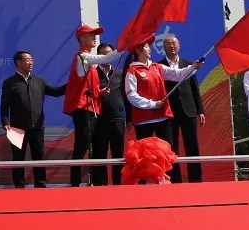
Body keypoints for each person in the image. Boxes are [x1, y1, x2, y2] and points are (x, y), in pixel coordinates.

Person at [61, 25, 123, 187]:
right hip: (83, 109)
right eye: (91, 35)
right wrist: (124, 47)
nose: (94, 38)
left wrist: (99, 92)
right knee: (82, 147)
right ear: (82, 38)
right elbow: (105, 59)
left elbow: (87, 86)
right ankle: (75, 184)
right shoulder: (82, 57)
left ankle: (90, 182)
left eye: (95, 35)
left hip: (91, 108)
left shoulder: (89, 61)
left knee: (89, 146)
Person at [124, 36, 201, 161]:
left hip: (162, 117)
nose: (149, 49)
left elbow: (177, 75)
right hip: (143, 120)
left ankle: (168, 175)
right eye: (146, 47)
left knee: (166, 154)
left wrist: (192, 68)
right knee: (145, 157)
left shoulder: (157, 67)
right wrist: (152, 104)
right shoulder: (132, 71)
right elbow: (131, 96)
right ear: (138, 50)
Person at [0, 50, 66, 188]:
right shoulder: (10, 82)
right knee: (18, 158)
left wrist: (73, 82)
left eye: (31, 60)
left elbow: (56, 92)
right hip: (17, 128)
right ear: (18, 62)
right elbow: (4, 105)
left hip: (37, 126)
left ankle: (40, 185)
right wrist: (5, 121)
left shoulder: (39, 80)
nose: (30, 62)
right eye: (27, 60)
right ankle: (19, 186)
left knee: (39, 157)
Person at [161, 35, 207, 183]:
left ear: (179, 46)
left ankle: (196, 179)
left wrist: (200, 110)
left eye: (174, 43)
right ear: (164, 47)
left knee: (192, 145)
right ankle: (175, 180)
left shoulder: (188, 64)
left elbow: (195, 89)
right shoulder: (159, 66)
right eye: (168, 44)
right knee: (172, 147)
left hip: (189, 109)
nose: (172, 46)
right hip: (170, 111)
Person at [91, 43, 126, 186]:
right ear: (98, 56)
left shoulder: (120, 73)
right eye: (103, 54)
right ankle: (100, 185)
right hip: (99, 120)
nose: (107, 57)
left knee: (118, 154)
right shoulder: (92, 74)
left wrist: (129, 118)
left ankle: (118, 184)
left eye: (109, 54)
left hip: (117, 119)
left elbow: (126, 96)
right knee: (100, 154)